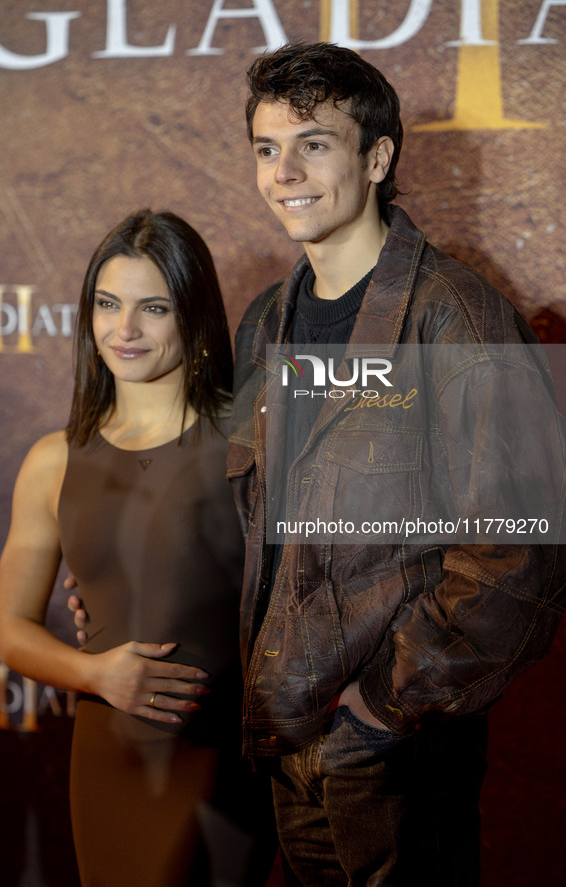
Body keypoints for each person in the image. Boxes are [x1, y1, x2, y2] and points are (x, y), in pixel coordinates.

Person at [225, 42, 566, 886]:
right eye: (267, 148)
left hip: (397, 761)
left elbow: (518, 554)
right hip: (283, 737)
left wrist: (382, 707)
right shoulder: (264, 323)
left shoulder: (457, 317)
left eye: (314, 144)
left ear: (377, 157)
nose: (285, 172)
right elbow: (248, 516)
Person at [0, 209, 274, 887]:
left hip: (219, 760)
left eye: (153, 307)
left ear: (193, 315)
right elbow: (9, 630)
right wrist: (97, 672)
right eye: (108, 304)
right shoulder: (52, 460)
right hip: (107, 761)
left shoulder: (252, 443)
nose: (125, 330)